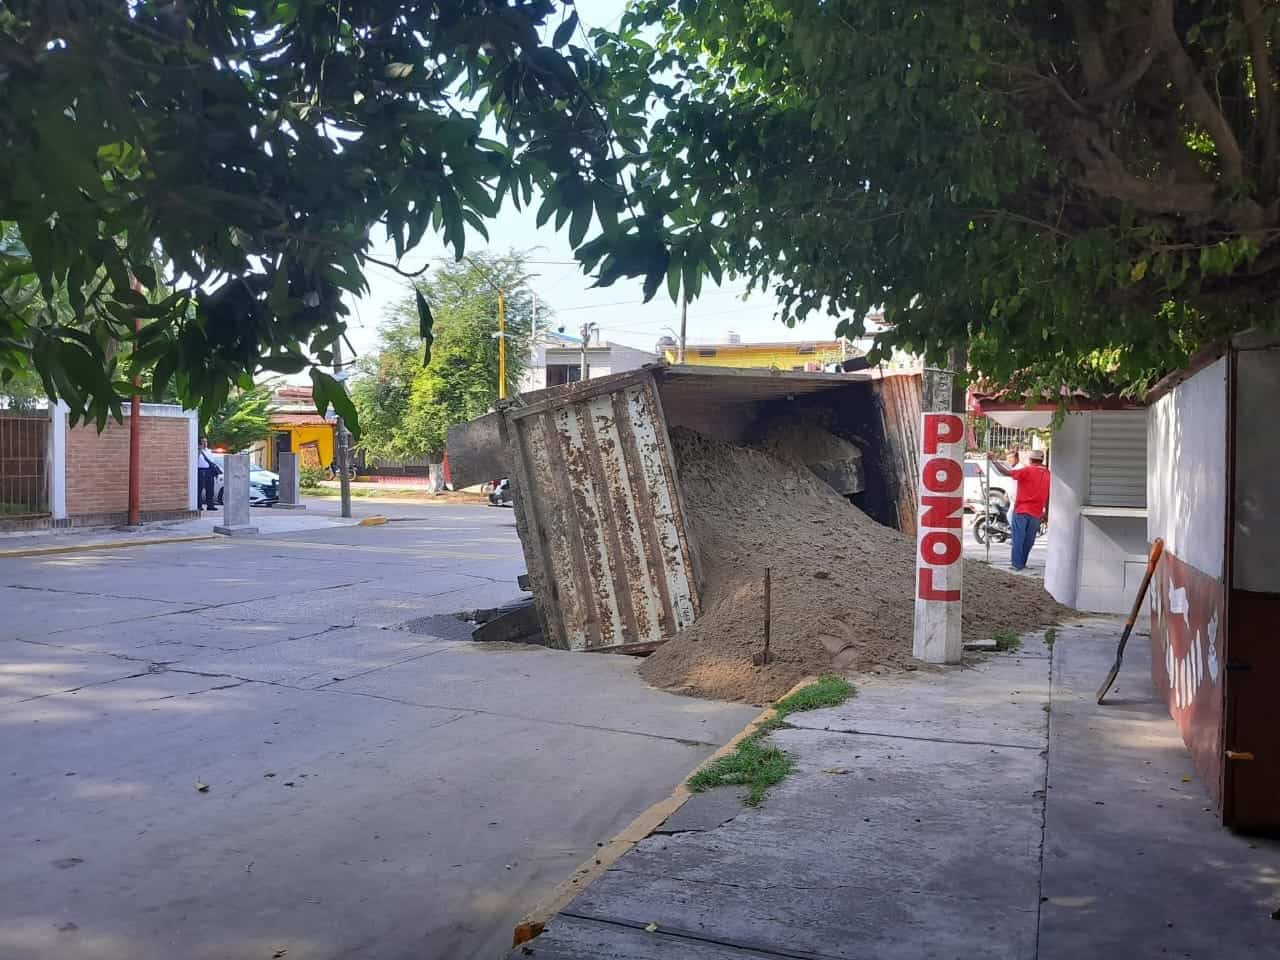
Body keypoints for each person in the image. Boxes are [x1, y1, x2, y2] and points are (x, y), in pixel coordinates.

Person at [1008, 449, 1050, 571]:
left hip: (1021, 510)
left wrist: (993, 461)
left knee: (1018, 539)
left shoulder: (1027, 470)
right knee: (1029, 540)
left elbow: (1007, 472)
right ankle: (1022, 563)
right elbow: (1048, 495)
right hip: (1037, 512)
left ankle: (1017, 564)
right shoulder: (1048, 474)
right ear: (1042, 460)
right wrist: (1046, 512)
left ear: (1030, 460)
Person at [197, 438, 221, 511]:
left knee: (210, 489)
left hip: (209, 471)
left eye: (206, 441)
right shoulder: (197, 450)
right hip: (201, 470)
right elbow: (195, 460)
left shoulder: (209, 451)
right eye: (203, 442)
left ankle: (210, 505)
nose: (205, 443)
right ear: (200, 443)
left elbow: (212, 462)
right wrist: (199, 451)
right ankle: (199, 505)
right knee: (199, 489)